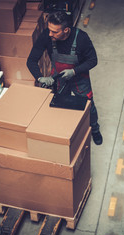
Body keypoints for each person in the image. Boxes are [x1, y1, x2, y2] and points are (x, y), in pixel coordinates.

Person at [27, 11, 103, 145]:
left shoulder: (81, 38)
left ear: (66, 30)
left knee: (88, 105)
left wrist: (74, 71)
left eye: (55, 32)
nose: (50, 34)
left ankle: (95, 129)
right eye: (49, 30)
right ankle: (65, 132)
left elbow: (93, 60)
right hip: (58, 77)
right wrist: (40, 78)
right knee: (60, 104)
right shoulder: (47, 36)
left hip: (79, 76)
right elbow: (31, 60)